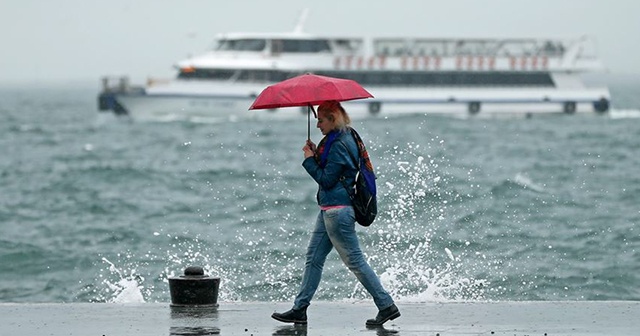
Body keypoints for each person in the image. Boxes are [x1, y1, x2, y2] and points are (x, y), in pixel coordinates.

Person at [271, 100, 400, 326]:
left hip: (337, 211)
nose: (318, 124)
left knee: (355, 261)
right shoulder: (341, 138)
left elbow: (327, 180)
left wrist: (309, 161)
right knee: (314, 259)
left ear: (333, 119)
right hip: (329, 209)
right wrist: (317, 154)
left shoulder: (339, 144)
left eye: (321, 120)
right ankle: (300, 309)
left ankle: (386, 305)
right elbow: (333, 169)